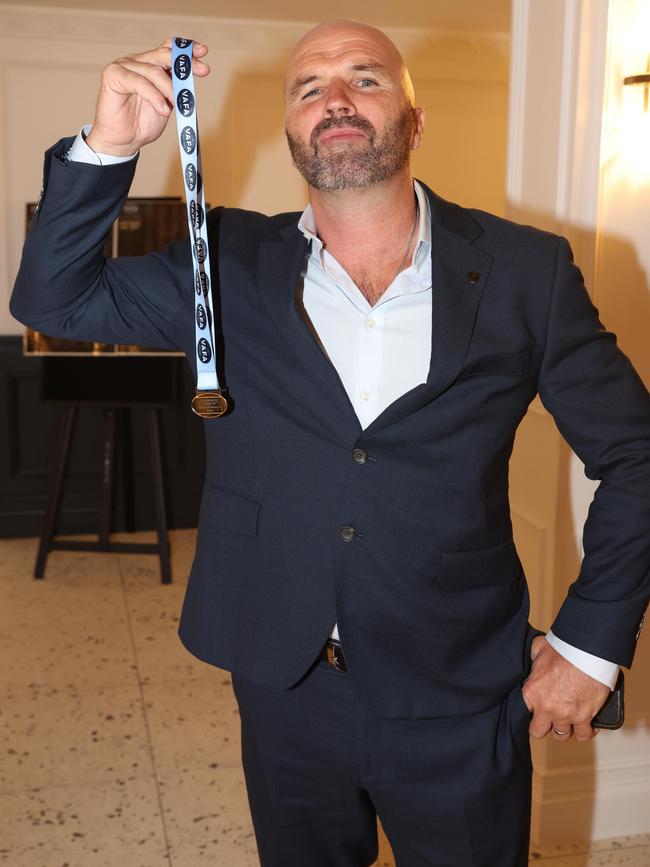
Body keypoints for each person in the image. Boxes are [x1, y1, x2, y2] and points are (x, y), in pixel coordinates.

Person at [10, 18, 650, 867]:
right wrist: (107, 143)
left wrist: (588, 646)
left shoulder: (525, 272)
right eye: (308, 88)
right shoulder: (226, 263)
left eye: (365, 77)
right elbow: (53, 300)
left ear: (414, 122)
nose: (335, 98)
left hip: (458, 691)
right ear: (293, 136)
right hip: (285, 685)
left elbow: (638, 457)